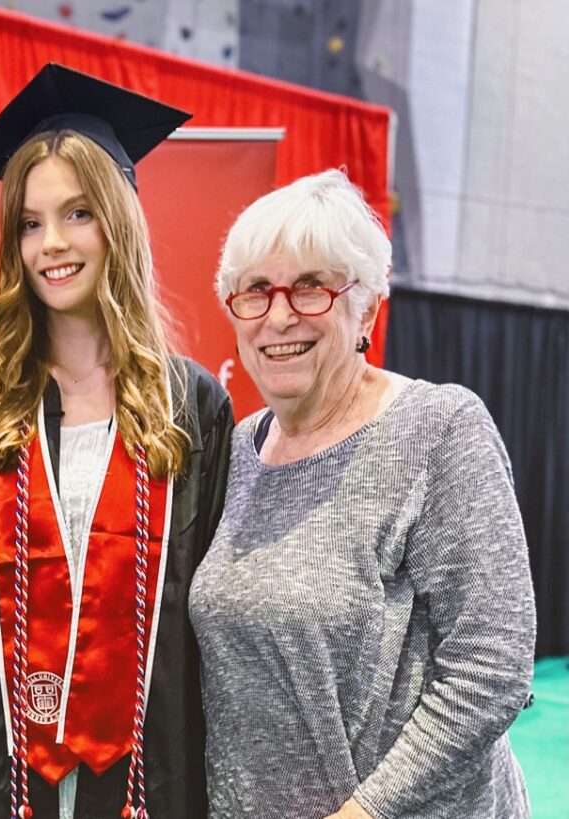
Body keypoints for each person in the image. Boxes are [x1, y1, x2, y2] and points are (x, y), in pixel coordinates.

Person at [0, 64, 233, 819]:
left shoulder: (190, 403)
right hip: (0, 771)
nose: (51, 244)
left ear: (119, 220)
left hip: (144, 772)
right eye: (30, 222)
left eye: (77, 214)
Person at [189, 168, 536, 819]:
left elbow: (490, 670)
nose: (280, 315)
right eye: (256, 290)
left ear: (366, 307)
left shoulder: (436, 431)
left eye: (311, 288)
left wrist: (362, 813)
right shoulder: (235, 449)